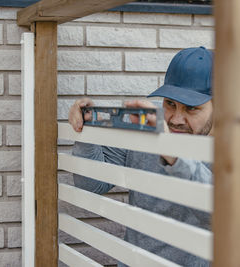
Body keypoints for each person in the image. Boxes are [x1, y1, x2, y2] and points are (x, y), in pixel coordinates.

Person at [68, 46, 213, 266]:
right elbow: (91, 184)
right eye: (170, 104)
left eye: (191, 108)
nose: (175, 119)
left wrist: (172, 152)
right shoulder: (149, 123)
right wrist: (86, 128)